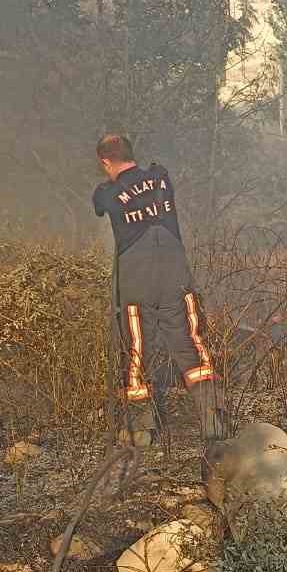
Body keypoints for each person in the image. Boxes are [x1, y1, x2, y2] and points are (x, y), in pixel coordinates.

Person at [92, 133, 228, 452]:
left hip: (136, 285)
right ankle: (213, 421)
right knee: (191, 345)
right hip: (175, 280)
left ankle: (141, 430)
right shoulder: (160, 177)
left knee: (136, 350)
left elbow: (100, 205)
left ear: (105, 162)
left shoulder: (107, 192)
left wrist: (112, 183)